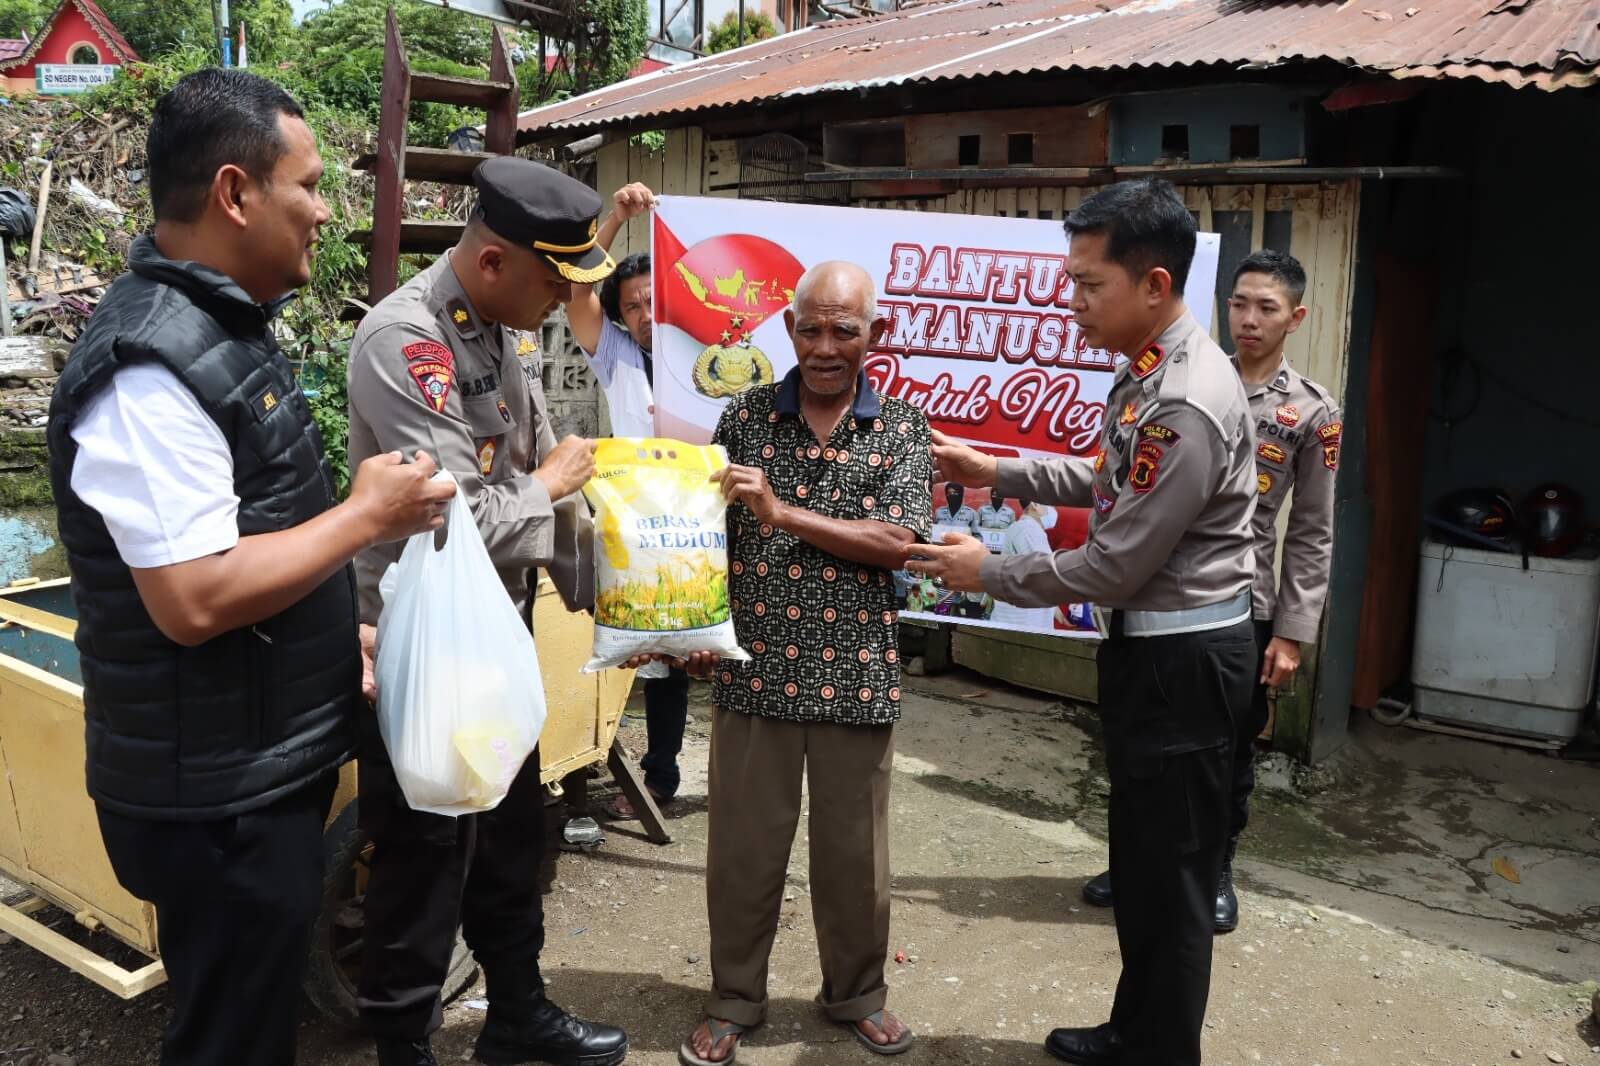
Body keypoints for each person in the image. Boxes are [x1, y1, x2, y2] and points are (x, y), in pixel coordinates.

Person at [45, 69, 456, 1066]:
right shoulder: (149, 366)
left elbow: (251, 537)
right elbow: (192, 597)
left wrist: (332, 634)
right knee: (229, 1040)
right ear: (234, 193)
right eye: (308, 185)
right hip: (212, 797)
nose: (326, 211)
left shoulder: (219, 328)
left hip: (249, 760)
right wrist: (366, 515)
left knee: (255, 1024)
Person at [906, 179, 1257, 1066]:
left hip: (1183, 662)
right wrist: (1000, 468)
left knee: (1173, 881)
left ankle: (1162, 1050)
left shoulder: (1183, 396)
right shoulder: (1149, 372)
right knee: (1142, 865)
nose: (1072, 303)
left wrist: (984, 570)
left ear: (1155, 283)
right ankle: (1135, 1030)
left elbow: (1111, 565)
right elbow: (1108, 480)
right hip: (1154, 656)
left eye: (1087, 284)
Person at [345, 157, 628, 1066]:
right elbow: (458, 513)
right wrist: (548, 484)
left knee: (512, 840)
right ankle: (404, 1049)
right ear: (497, 261)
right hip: (421, 647)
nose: (560, 300)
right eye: (554, 281)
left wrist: (634, 603)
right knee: (422, 861)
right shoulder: (408, 342)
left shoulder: (502, 328)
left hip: (495, 639)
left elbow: (552, 483)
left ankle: (517, 1014)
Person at [677, 261, 930, 1066]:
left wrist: (781, 512)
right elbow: (703, 540)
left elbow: (898, 542)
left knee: (855, 858)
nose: (825, 347)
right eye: (810, 328)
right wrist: (693, 631)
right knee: (744, 853)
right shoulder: (745, 419)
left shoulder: (903, 430)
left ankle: (856, 994)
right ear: (789, 330)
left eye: (844, 330)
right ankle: (733, 999)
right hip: (754, 670)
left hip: (857, 675)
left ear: (873, 335)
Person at [1079, 248, 1339, 932]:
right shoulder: (1184, 381)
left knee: (1227, 754)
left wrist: (1292, 631)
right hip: (1156, 593)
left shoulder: (1311, 412)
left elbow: (1311, 532)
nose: (1249, 320)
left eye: (1267, 308)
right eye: (1239, 303)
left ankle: (1214, 872)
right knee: (1134, 746)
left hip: (1242, 605)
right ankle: (1133, 864)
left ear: (1296, 317)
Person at [567, 181, 690, 820]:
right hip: (638, 525)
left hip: (706, 521)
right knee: (644, 655)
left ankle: (674, 774)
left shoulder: (709, 357)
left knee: (695, 651)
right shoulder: (616, 357)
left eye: (654, 301)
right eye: (634, 306)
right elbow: (578, 292)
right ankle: (646, 776)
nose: (646, 314)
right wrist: (614, 216)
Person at [986, 500, 1054, 629]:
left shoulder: (1029, 529)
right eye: (1051, 505)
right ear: (1035, 504)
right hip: (1021, 621)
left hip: (1023, 619)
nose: (1054, 511)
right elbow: (1044, 571)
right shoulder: (1026, 529)